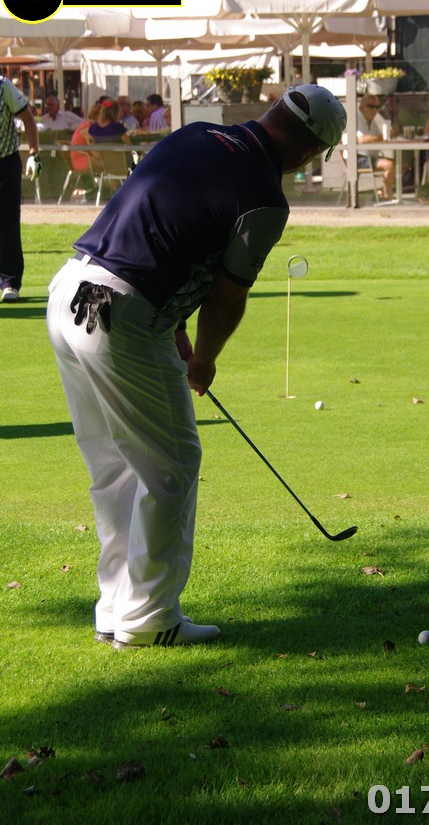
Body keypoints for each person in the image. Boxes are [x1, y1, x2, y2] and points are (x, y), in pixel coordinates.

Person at [46, 84, 346, 650]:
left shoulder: (195, 134)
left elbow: (162, 231)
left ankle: (116, 607)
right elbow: (227, 297)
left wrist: (175, 327)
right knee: (173, 466)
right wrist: (205, 359)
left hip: (70, 292)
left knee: (115, 468)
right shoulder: (264, 198)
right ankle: (150, 618)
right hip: (122, 315)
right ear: (310, 151)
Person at [0, 76, 41, 302]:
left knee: (7, 223)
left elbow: (28, 118)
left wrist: (34, 153)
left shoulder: (3, 86)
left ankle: (9, 282)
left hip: (5, 162)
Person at [351, 94, 397, 200]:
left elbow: (383, 134)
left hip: (371, 156)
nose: (374, 110)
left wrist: (391, 132)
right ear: (361, 107)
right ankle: (387, 194)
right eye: (371, 106)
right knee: (390, 165)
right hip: (357, 157)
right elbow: (361, 140)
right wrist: (385, 136)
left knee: (401, 164)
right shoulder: (355, 119)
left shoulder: (374, 119)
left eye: (377, 107)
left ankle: (383, 190)